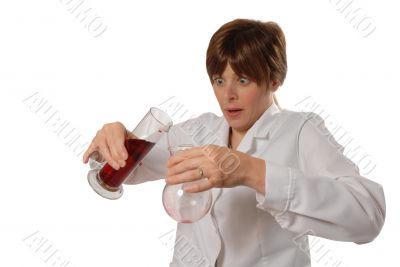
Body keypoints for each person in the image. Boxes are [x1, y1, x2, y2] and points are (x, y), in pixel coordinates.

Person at [82, 18, 385, 267]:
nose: (228, 95)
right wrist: (114, 139)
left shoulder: (299, 130)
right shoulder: (197, 131)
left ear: (274, 80)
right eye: (219, 79)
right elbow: (126, 168)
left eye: (242, 80)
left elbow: (367, 215)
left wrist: (251, 171)